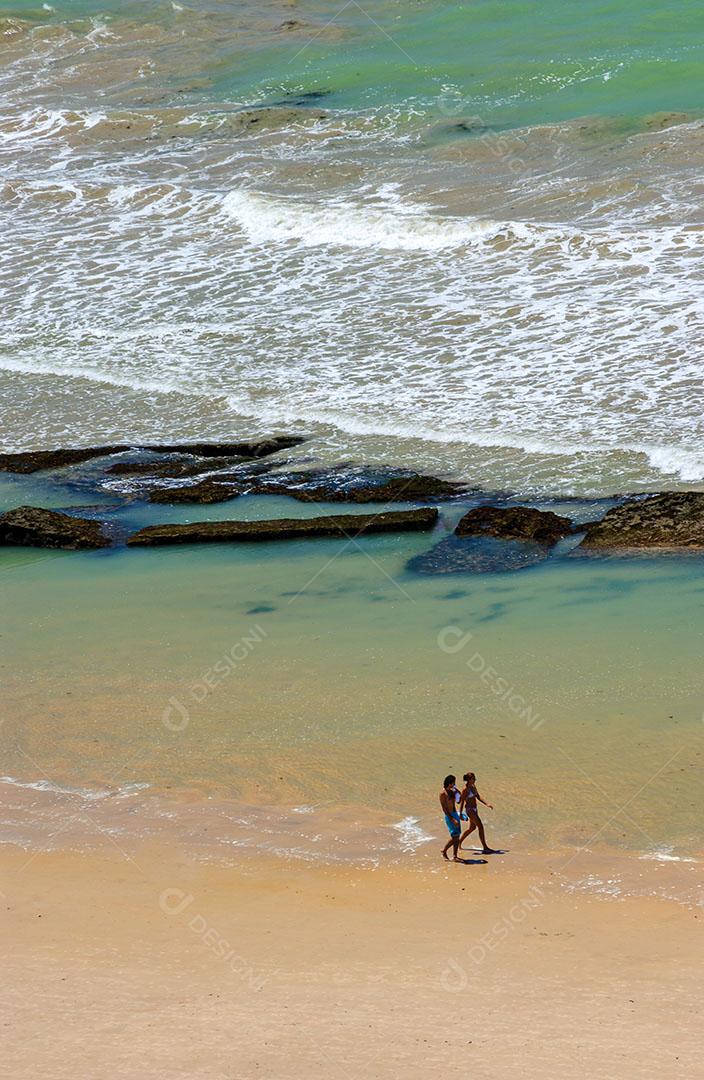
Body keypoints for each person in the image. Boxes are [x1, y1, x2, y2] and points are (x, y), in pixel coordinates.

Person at [458, 771, 496, 854]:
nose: (475, 779)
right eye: (474, 778)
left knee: (472, 828)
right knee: (480, 826)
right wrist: (460, 814)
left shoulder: (473, 786)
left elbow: (478, 796)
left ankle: (459, 842)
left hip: (475, 809)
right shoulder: (465, 789)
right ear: (469, 779)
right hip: (470, 810)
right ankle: (485, 847)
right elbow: (462, 802)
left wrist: (487, 803)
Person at [440, 774, 462, 861]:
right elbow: (444, 808)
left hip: (455, 814)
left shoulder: (452, 792)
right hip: (449, 816)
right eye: (453, 783)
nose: (454, 784)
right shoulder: (443, 793)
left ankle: (455, 856)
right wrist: (452, 819)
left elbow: (458, 802)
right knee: (455, 836)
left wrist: (457, 791)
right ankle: (444, 850)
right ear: (449, 783)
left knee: (457, 835)